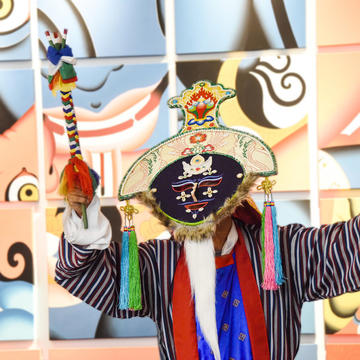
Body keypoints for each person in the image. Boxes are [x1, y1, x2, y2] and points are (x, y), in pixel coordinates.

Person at [55, 81, 360, 360]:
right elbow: (84, 272)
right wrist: (84, 216)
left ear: (233, 195)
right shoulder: (160, 264)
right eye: (184, 189)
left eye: (210, 186)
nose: (197, 200)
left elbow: (348, 247)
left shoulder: (281, 251)